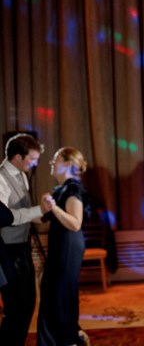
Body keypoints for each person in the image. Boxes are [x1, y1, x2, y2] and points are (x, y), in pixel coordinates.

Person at [0, 133, 53, 345]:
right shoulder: (1, 179)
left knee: (28, 302)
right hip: (5, 251)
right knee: (15, 306)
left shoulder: (22, 175)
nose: (34, 164)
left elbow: (23, 213)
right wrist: (38, 210)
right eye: (31, 159)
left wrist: (45, 213)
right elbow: (5, 217)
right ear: (17, 157)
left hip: (22, 247)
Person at [36, 147, 90, 346]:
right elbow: (43, 218)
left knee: (58, 295)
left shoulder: (73, 188)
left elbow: (75, 223)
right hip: (61, 245)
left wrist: (54, 207)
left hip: (68, 247)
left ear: (68, 164)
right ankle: (68, 337)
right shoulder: (61, 189)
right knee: (53, 293)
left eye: (55, 159)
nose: (51, 162)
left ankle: (66, 339)